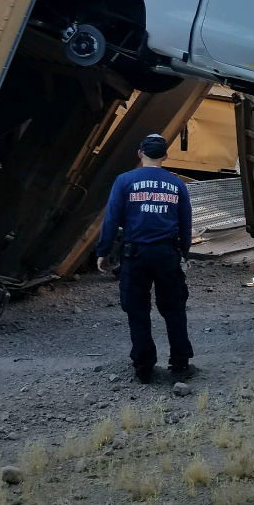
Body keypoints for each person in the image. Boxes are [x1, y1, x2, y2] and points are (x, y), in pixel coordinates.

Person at [96, 134, 194, 384]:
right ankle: (180, 362)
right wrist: (184, 251)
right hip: (166, 254)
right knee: (174, 308)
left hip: (135, 254)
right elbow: (185, 222)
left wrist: (103, 250)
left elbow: (111, 218)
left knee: (137, 310)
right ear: (165, 155)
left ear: (140, 154)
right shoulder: (177, 184)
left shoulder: (124, 181)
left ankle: (144, 366)